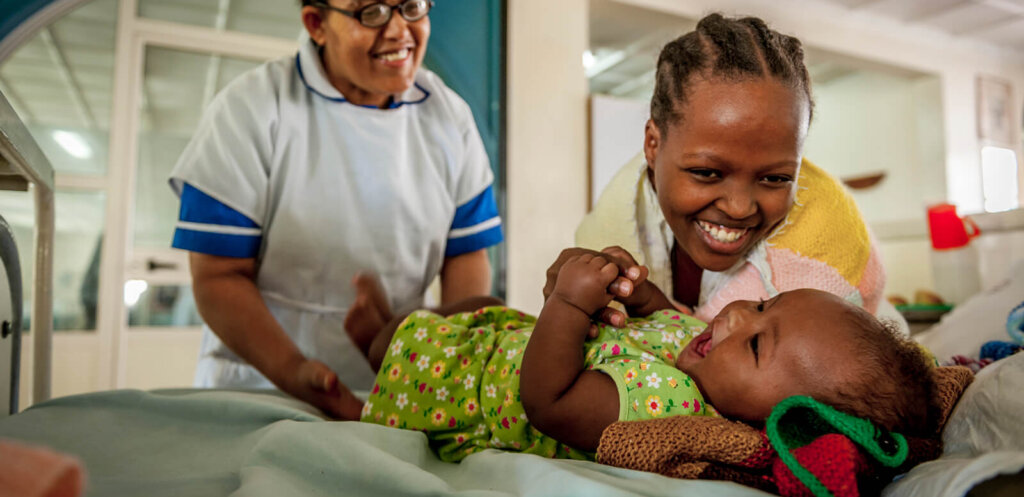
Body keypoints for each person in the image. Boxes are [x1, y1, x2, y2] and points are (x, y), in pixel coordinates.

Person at [167, 0, 502, 420]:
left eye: (412, 7)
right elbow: (218, 276)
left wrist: (455, 368)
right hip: (263, 386)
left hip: (405, 387)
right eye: (373, 12)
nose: (400, 30)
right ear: (316, 24)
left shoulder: (450, 117)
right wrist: (294, 370)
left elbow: (466, 254)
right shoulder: (250, 109)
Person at [358, 253, 936, 462]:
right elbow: (659, 314)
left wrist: (568, 302)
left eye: (758, 342)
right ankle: (388, 327)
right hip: (501, 336)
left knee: (398, 344)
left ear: (783, 421)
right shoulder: (708, 351)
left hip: (457, 387)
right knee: (478, 303)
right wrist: (632, 290)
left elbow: (548, 401)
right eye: (763, 303)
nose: (737, 318)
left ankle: (365, 353)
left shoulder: (669, 410)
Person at [560, 13, 901, 332]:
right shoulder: (618, 214)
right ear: (652, 144)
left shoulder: (827, 261)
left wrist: (653, 308)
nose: (739, 208)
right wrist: (564, 312)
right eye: (707, 172)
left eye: (775, 178)